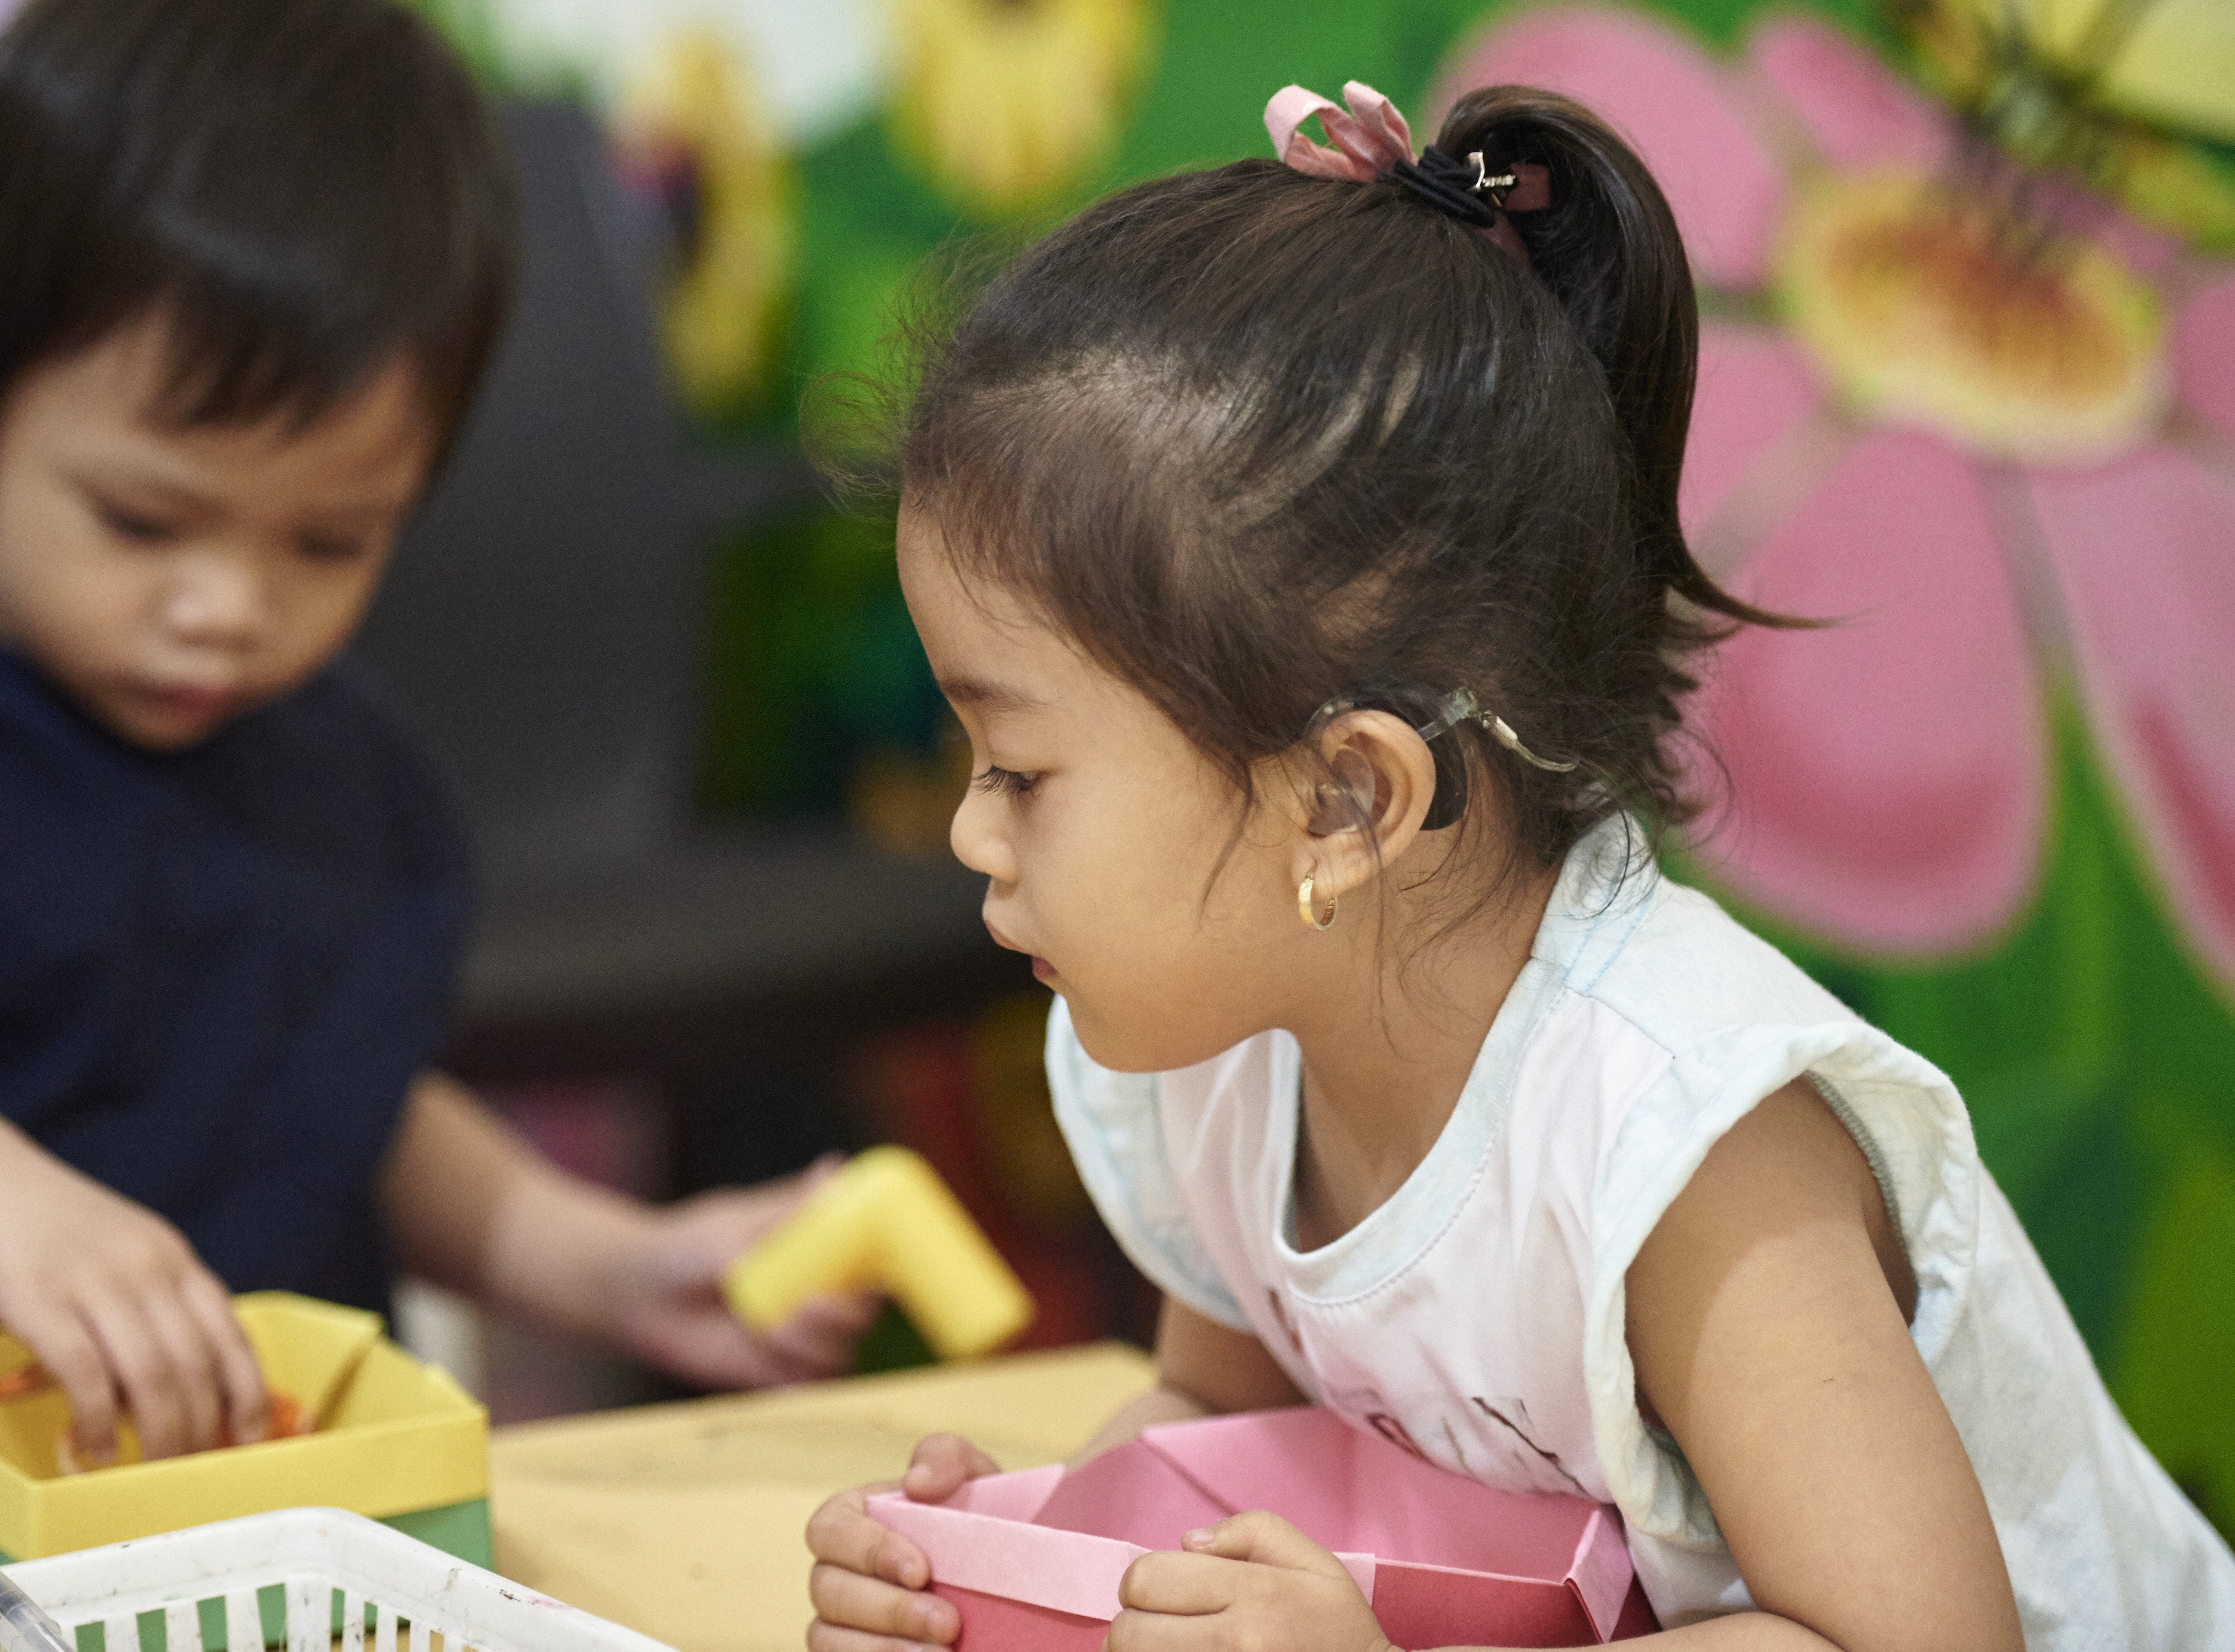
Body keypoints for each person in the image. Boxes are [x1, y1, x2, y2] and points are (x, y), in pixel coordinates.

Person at [801, 79, 2235, 1652]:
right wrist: (1029, 1577)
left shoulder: (1673, 1140)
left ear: (1346, 805)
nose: (969, 829)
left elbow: (1917, 1643)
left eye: (1018, 769)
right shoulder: (1222, 1045)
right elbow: (1221, 1436)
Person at [0, 0, 868, 1530]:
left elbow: (342, 1102)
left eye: (331, 541)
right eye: (144, 522)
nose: (228, 609)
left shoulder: (345, 765)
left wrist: (609, 1262)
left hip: (285, 1540)